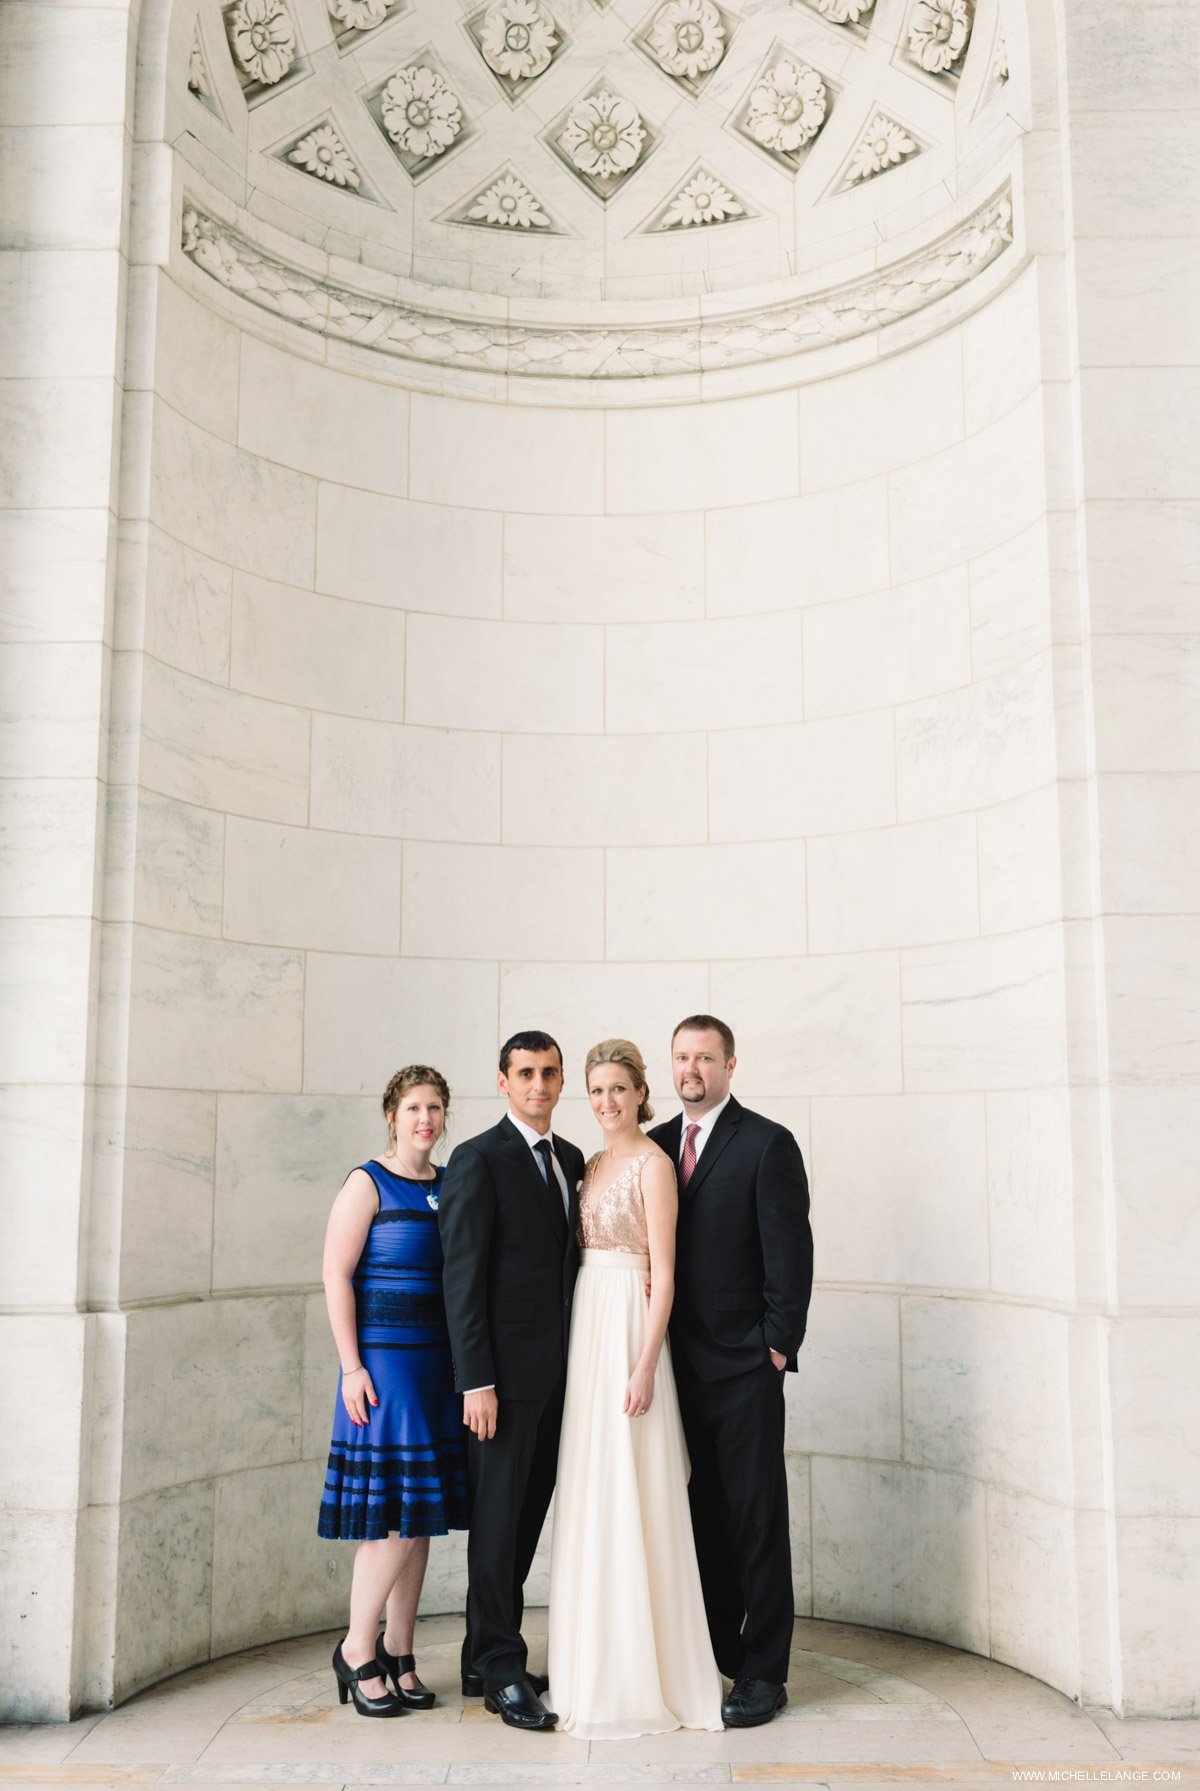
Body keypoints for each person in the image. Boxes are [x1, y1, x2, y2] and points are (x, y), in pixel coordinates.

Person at [547, 1039, 723, 1740]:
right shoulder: (590, 1165)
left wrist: (646, 1363)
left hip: (629, 1330)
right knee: (592, 1486)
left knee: (635, 1487)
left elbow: (667, 1274)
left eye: (618, 1088)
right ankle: (587, 1663)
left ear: (640, 1092)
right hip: (589, 1323)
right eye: (594, 1090)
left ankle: (645, 1671)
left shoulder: (653, 1165)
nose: (606, 1102)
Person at [649, 1015, 813, 1729]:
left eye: (705, 1057)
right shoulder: (653, 1147)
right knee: (697, 1514)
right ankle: (716, 1645)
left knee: (755, 1516)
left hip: (744, 1367)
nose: (692, 1069)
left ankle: (763, 1671)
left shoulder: (767, 1143)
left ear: (730, 1064)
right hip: (670, 1369)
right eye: (682, 1056)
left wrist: (774, 1347)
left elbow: (791, 1254)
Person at [438, 1030, 585, 1733]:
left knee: (524, 1524)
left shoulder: (572, 1160)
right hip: (498, 1386)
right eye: (524, 1073)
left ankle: (478, 1654)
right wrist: (476, 1382)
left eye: (549, 1072)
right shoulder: (477, 1159)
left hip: (560, 1383)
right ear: (502, 1080)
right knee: (497, 1527)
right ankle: (501, 1667)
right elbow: (461, 1278)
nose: (538, 1084)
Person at [318, 1066, 468, 1717]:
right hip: (384, 1367)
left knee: (421, 1514)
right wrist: (352, 1366)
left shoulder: (448, 1184)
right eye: (413, 1107)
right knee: (393, 1520)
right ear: (391, 1113)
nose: (425, 1118)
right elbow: (335, 1273)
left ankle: (400, 1650)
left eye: (435, 1107)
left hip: (436, 1365)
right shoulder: (366, 1181)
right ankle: (357, 1647)